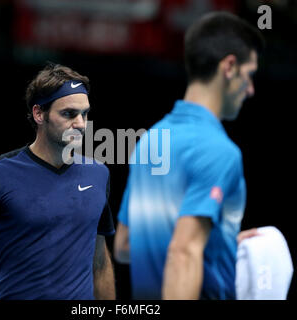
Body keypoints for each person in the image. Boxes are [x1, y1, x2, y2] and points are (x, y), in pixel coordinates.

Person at [113, 12, 264, 300]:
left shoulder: (151, 140)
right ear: (229, 67)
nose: (252, 89)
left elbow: (126, 244)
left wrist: (221, 244)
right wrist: (194, 249)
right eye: (250, 75)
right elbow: (183, 253)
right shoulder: (220, 152)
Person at [0, 63, 116, 300]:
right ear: (39, 114)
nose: (81, 124)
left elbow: (100, 261)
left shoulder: (99, 174)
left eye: (85, 114)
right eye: (69, 114)